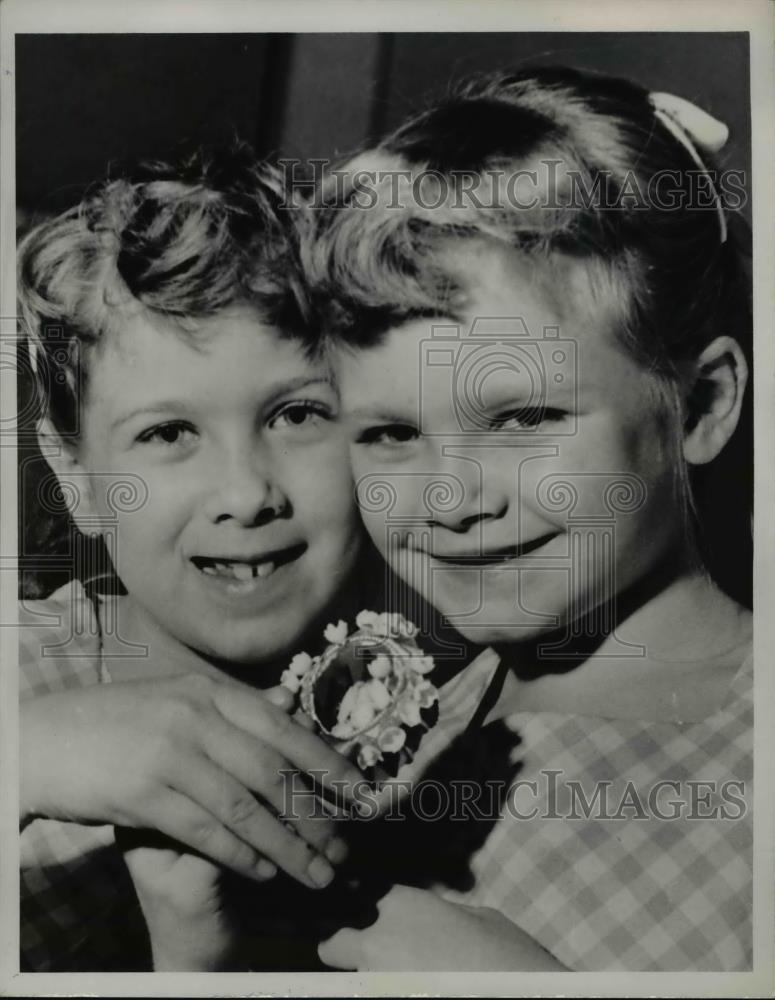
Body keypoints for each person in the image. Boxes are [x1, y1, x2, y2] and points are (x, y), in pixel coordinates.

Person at [299, 66, 753, 971]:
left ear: (700, 405)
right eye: (390, 433)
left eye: (522, 420)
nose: (454, 498)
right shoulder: (382, 720)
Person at [17, 146, 375, 971]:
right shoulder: (22, 671)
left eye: (296, 415)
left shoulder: (438, 729)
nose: (246, 493)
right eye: (168, 433)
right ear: (77, 477)